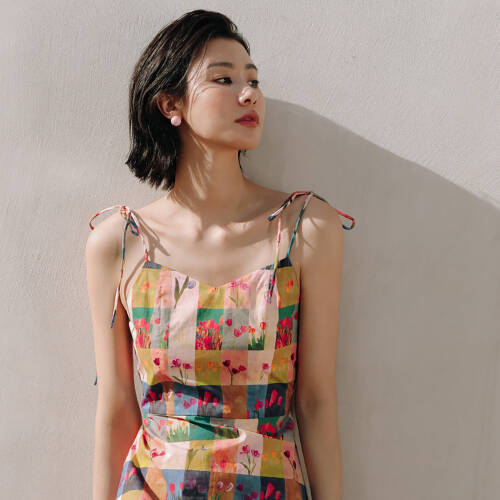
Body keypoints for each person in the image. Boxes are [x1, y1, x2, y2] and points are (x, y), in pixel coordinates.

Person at [86, 9, 355, 500]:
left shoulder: (305, 228)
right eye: (224, 79)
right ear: (171, 103)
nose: (249, 94)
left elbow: (315, 401)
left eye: (253, 80)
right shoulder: (119, 241)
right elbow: (117, 407)